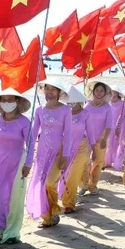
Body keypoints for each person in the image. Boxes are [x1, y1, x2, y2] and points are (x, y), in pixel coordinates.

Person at [0, 88, 34, 245]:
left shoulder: (24, 122)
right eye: (3, 100)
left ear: (17, 101)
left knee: (13, 199)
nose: (7, 103)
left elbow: (31, 144)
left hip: (17, 161)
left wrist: (28, 164)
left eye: (10, 100)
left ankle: (12, 232)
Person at [26, 79, 71, 228]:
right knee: (40, 184)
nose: (49, 92)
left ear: (59, 93)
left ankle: (54, 209)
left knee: (49, 182)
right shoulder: (39, 110)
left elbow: (68, 134)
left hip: (58, 153)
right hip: (42, 154)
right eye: (47, 89)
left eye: (53, 89)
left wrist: (65, 155)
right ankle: (47, 217)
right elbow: (33, 133)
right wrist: (26, 148)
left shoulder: (65, 110)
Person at [58, 85, 95, 214]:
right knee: (64, 174)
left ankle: (69, 204)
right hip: (65, 147)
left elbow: (90, 133)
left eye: (73, 102)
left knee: (73, 175)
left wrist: (94, 150)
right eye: (68, 103)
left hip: (81, 146)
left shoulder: (86, 114)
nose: (70, 105)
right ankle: (65, 195)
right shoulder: (62, 113)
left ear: (79, 102)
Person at [80, 80, 113, 195]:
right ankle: (83, 184)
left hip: (101, 138)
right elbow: (81, 121)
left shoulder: (108, 107)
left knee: (98, 162)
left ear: (105, 93)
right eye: (97, 90)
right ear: (93, 91)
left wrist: (105, 139)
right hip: (86, 137)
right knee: (84, 160)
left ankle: (92, 186)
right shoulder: (87, 105)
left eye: (101, 91)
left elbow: (109, 125)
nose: (99, 93)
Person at [105, 84, 125, 168]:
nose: (112, 94)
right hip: (108, 127)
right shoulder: (107, 103)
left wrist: (120, 126)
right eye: (110, 92)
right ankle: (107, 161)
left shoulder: (122, 104)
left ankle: (117, 160)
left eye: (113, 92)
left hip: (118, 127)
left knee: (117, 144)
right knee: (108, 144)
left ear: (117, 93)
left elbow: (123, 116)